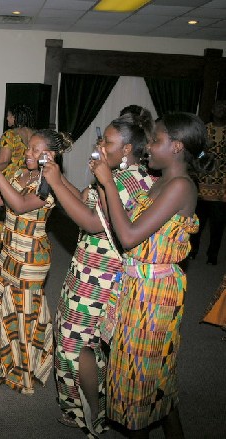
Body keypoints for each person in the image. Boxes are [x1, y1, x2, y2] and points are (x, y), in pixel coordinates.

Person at [90, 112, 209, 438]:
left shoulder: (181, 187)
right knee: (151, 376)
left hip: (154, 295)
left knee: (139, 383)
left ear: (177, 147)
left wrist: (109, 183)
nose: (149, 147)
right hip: (138, 286)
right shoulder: (160, 183)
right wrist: (105, 190)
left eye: (156, 140)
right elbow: (124, 231)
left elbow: (128, 237)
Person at [43, 111, 157, 436]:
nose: (100, 145)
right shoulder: (128, 175)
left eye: (107, 141)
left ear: (126, 149)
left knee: (75, 345)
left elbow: (92, 222)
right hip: (96, 270)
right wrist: (58, 176)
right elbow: (85, 199)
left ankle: (90, 415)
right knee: (85, 343)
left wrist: (52, 181)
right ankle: (96, 406)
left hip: (99, 277)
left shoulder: (122, 181)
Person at [0, 129, 72, 394]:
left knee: (23, 315)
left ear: (50, 155)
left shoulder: (49, 183)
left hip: (31, 258)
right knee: (2, 305)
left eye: (35, 150)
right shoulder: (20, 174)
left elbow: (19, 205)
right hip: (9, 252)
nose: (28, 153)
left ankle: (24, 371)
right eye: (29, 148)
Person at [0, 104, 35, 265]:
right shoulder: (36, 136)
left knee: (1, 215)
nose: (7, 118)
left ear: (16, 117)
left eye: (9, 115)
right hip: (30, 180)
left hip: (10, 181)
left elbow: (3, 161)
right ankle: (19, 251)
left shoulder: (10, 135)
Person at [189, 99, 226, 265]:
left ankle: (213, 255)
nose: (221, 110)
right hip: (203, 184)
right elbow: (197, 155)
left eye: (224, 107)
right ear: (212, 109)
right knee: (198, 222)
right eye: (218, 106)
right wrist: (206, 153)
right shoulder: (204, 130)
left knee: (218, 225)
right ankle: (193, 251)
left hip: (222, 186)